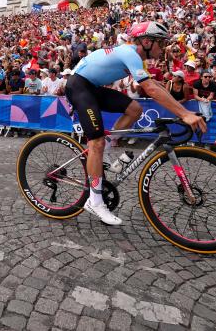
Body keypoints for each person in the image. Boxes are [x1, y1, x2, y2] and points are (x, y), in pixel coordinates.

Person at [65, 21, 206, 225]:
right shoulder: (129, 53)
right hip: (78, 86)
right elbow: (151, 90)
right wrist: (184, 114)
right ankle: (94, 201)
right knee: (96, 142)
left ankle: (106, 151)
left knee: (135, 110)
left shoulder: (137, 57)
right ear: (146, 42)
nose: (163, 48)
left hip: (92, 87)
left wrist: (185, 111)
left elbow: (155, 85)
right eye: (160, 43)